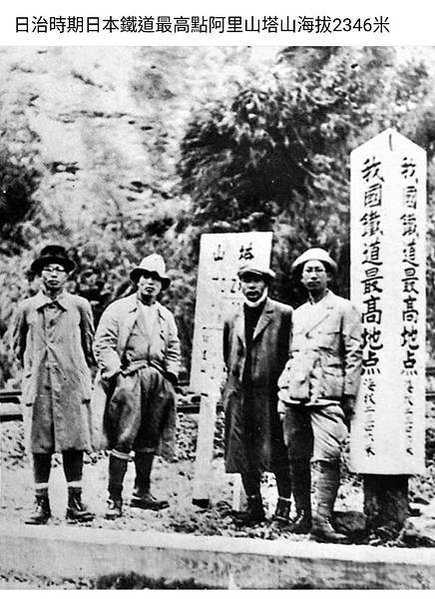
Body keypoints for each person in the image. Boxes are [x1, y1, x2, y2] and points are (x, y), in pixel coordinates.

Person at [278, 248, 362, 543]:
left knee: (328, 456)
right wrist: (283, 392)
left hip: (328, 394)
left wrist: (348, 395)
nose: (312, 275)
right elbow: (292, 355)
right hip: (296, 394)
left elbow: (354, 354)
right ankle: (302, 516)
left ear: (328, 275)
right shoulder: (297, 314)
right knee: (296, 456)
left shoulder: (343, 309)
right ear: (301, 278)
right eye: (307, 271)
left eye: (318, 270)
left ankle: (322, 520)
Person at [10, 244, 95, 525]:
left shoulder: (80, 307)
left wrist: (80, 374)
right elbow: (16, 346)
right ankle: (41, 505)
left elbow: (90, 345)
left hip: (71, 383)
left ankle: (75, 503)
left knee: (74, 443)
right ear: (39, 273)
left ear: (68, 275)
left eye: (60, 270)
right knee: (40, 445)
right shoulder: (26, 309)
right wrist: (32, 373)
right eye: (48, 269)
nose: (54, 275)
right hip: (39, 384)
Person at [94, 253, 180, 520]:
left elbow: (174, 348)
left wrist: (171, 375)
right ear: (138, 280)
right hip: (129, 377)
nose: (150, 283)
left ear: (162, 285)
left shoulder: (165, 316)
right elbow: (103, 343)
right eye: (146, 277)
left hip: (157, 380)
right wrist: (116, 373)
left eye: (156, 279)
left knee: (149, 436)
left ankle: (142, 492)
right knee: (124, 435)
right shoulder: (118, 309)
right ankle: (114, 497)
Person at [222, 261, 293, 525]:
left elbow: (290, 353)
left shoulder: (283, 314)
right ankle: (254, 506)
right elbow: (227, 353)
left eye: (257, 280)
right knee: (243, 451)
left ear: (266, 283)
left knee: (277, 450)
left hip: (271, 395)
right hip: (240, 395)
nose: (251, 287)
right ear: (240, 283)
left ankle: (284, 507)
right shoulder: (232, 317)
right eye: (246, 280)